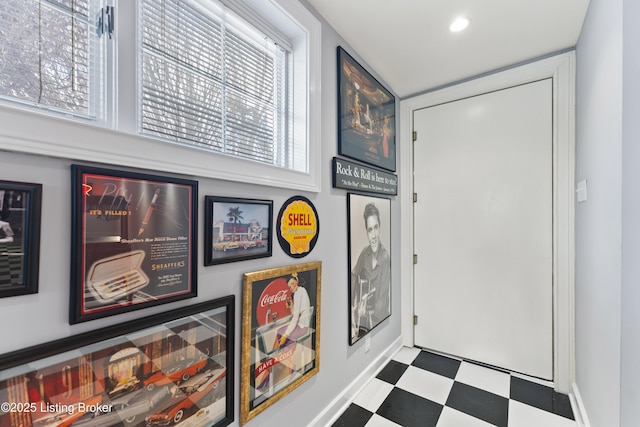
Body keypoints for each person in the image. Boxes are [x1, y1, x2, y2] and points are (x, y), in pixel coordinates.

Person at [351, 202, 390, 339]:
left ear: (379, 228)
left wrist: (366, 306)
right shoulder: (364, 253)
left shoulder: (385, 258)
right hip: (363, 318)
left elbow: (383, 301)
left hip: (379, 320)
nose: (373, 235)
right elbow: (353, 275)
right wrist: (354, 303)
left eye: (375, 228)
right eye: (369, 230)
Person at [276, 272, 311, 348]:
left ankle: (284, 355)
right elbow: (297, 313)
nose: (291, 287)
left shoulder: (297, 294)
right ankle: (284, 354)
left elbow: (295, 318)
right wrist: (291, 307)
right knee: (281, 332)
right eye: (289, 287)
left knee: (281, 333)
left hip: (301, 328)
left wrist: (286, 334)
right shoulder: (302, 290)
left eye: (292, 283)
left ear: (296, 281)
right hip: (304, 326)